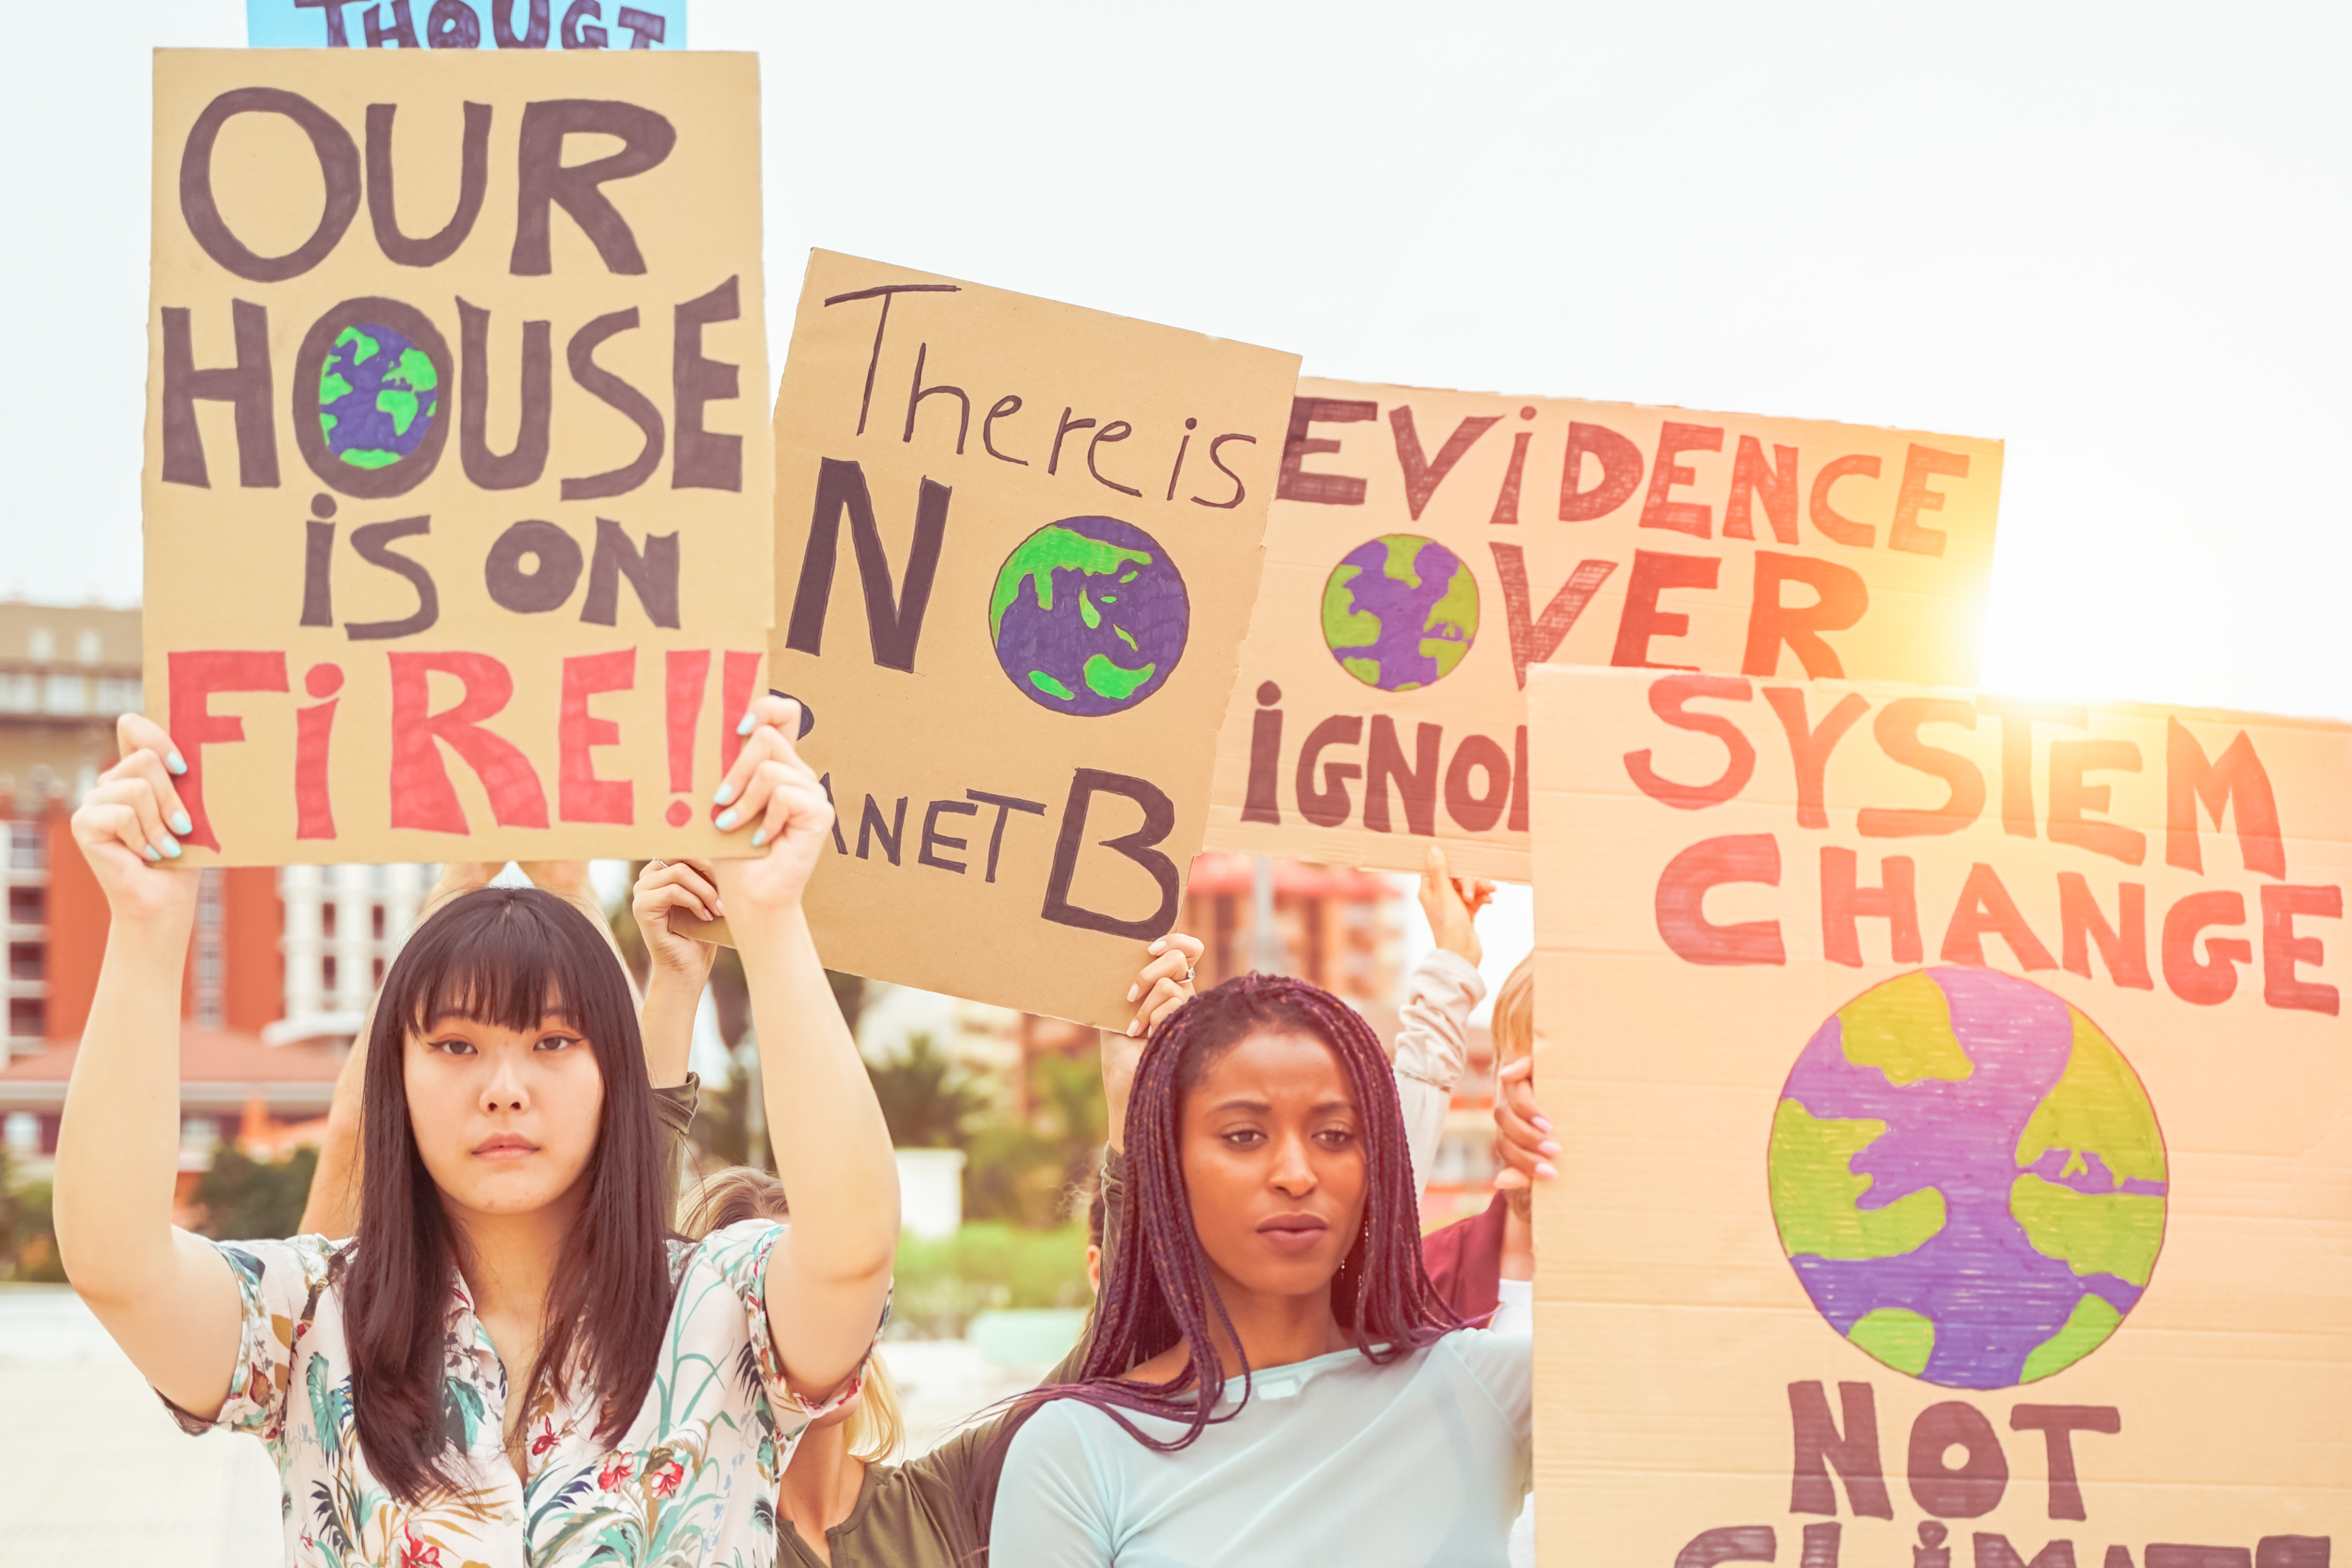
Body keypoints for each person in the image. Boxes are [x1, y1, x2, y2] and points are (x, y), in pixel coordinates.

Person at [52, 698, 898, 1566]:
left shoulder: (725, 1306)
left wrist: (771, 918)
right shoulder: (309, 1318)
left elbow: (853, 1248)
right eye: (456, 1044)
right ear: (398, 1080)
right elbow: (118, 1262)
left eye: (554, 1042)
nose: (504, 1089)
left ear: (619, 1074)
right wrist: (146, 928)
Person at [633, 857, 1201, 1567]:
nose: (818, 1318)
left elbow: (1124, 1354)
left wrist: (1134, 1098)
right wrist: (677, 987)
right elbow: (624, 1266)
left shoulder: (947, 1501)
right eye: (773, 1299)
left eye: (848, 1287)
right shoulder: (678, 1526)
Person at [980, 971, 1537, 1564]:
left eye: (1334, 1134)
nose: (1296, 1173)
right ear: (1170, 1165)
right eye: (1244, 1136)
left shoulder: (1489, 1390)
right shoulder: (1075, 1451)